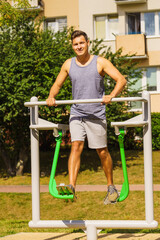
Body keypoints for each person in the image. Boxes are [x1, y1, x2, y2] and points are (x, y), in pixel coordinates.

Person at [46, 30, 127, 204]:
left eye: (81, 43)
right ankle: (72, 187)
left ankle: (111, 186)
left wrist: (111, 95)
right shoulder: (69, 64)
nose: (79, 47)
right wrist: (51, 96)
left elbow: (121, 79)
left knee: (102, 151)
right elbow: (57, 84)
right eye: (75, 44)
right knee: (76, 145)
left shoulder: (100, 62)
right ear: (72, 46)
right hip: (77, 113)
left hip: (96, 114)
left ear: (88, 43)